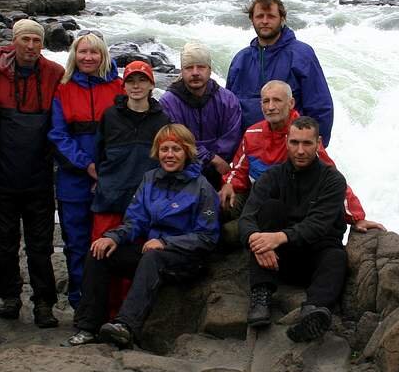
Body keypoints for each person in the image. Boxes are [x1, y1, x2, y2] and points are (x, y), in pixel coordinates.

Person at [67, 124, 219, 348]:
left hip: (186, 259)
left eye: (175, 149)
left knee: (152, 257)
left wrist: (165, 243)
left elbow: (207, 237)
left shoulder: (202, 187)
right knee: (100, 251)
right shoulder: (150, 179)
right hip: (151, 252)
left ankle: (126, 326)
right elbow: (135, 221)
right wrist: (113, 237)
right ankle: (89, 326)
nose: (169, 155)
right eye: (164, 149)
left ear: (187, 151)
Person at [220, 80, 384, 242]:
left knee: (228, 235)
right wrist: (229, 184)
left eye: (277, 100)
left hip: (286, 207)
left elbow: (333, 179)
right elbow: (239, 168)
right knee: (217, 208)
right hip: (255, 196)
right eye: (266, 101)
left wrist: (357, 218)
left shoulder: (301, 136)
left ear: (291, 103)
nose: (270, 107)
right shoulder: (252, 132)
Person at [0, 18, 65, 328]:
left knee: (40, 244)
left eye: (36, 41)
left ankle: (44, 303)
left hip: (39, 174)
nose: (31, 46)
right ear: (14, 41)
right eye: (25, 40)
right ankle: (9, 297)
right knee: (3, 242)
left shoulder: (55, 73)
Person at [238, 116, 349, 343]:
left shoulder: (333, 180)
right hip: (276, 260)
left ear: (318, 143)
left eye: (307, 144)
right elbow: (246, 218)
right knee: (269, 209)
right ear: (287, 142)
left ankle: (313, 310)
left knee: (337, 256)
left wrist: (278, 237)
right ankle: (261, 296)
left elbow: (318, 225)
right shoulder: (271, 177)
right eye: (294, 143)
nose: (300, 150)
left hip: (314, 255)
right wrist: (257, 241)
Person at [48, 30, 123, 321]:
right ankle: (81, 302)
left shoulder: (118, 87)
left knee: (109, 241)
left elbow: (126, 133)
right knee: (77, 244)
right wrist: (86, 165)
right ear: (74, 56)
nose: (88, 57)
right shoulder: (63, 89)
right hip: (73, 178)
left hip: (111, 178)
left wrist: (104, 168)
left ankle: (108, 303)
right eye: (83, 52)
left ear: (103, 55)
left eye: (94, 52)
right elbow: (57, 135)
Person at [226, 0, 335, 145]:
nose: (264, 21)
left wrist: (317, 146)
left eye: (271, 16)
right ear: (252, 19)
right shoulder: (241, 59)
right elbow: (229, 110)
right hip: (253, 148)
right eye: (259, 16)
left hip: (292, 149)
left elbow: (320, 106)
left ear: (282, 19)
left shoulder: (301, 54)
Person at [90, 60, 171, 240]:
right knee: (101, 254)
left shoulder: (162, 120)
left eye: (142, 80)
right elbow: (99, 153)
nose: (136, 86)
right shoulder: (110, 116)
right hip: (110, 198)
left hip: (145, 200)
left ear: (152, 84)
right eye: (130, 80)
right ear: (123, 86)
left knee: (138, 257)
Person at [160, 41, 242, 189]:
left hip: (220, 170)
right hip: (183, 169)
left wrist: (215, 161)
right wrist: (210, 158)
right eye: (189, 68)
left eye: (201, 67)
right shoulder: (168, 102)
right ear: (182, 71)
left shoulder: (228, 100)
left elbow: (232, 138)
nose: (195, 72)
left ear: (210, 70)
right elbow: (176, 140)